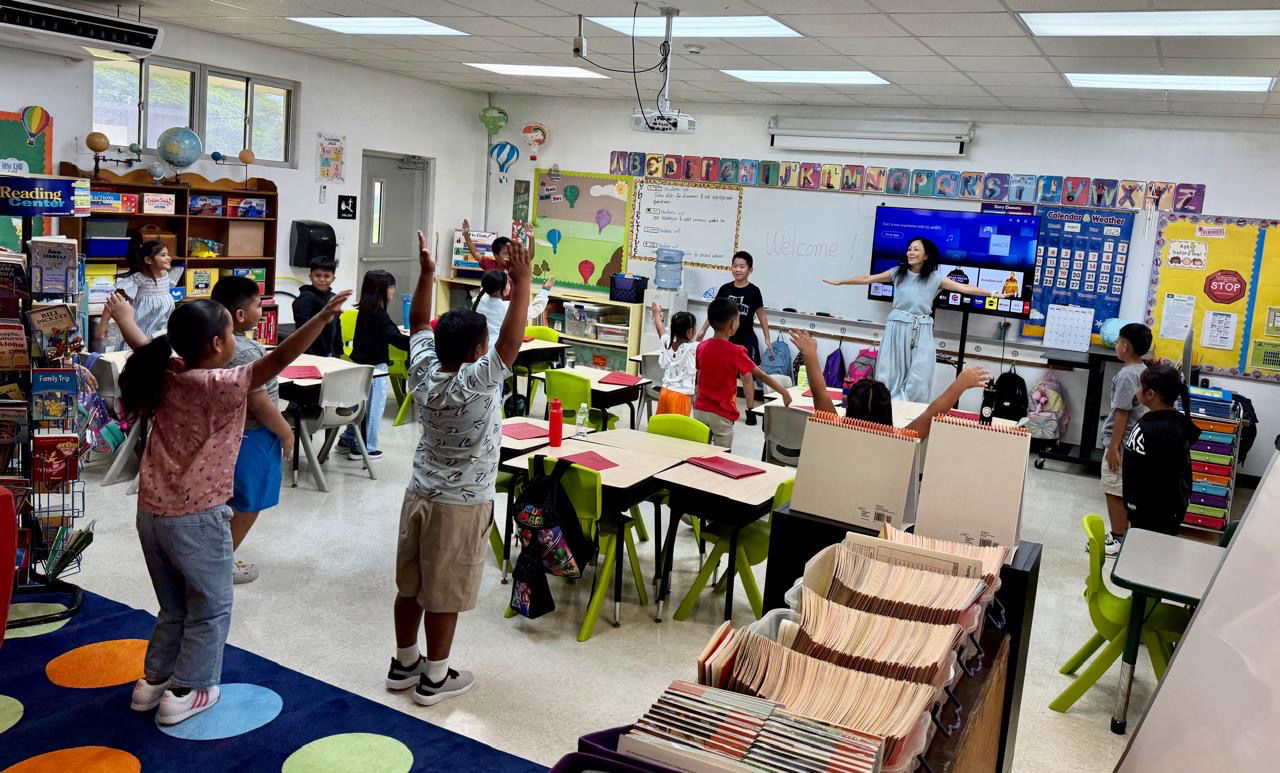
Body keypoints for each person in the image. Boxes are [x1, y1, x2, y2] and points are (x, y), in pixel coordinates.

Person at [110, 286, 349, 725]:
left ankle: (153, 682)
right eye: (230, 333)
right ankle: (187, 690)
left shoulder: (167, 370)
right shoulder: (219, 384)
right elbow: (277, 361)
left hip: (151, 514)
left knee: (174, 606)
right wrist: (320, 320)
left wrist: (125, 317)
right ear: (217, 343)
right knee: (211, 606)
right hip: (197, 518)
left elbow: (142, 345)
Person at [388, 230, 531, 706]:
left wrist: (427, 274)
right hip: (461, 504)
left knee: (410, 587)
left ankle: (404, 662)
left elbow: (417, 321)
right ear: (476, 352)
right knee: (443, 594)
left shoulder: (424, 369)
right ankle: (435, 677)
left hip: (419, 493)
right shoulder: (477, 381)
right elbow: (511, 341)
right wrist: (523, 282)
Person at [824, 238, 1006, 402]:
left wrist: (993, 293)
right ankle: (887, 405)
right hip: (896, 327)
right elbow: (867, 279)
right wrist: (841, 282)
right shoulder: (898, 272)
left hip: (922, 329)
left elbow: (964, 288)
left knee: (920, 372)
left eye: (916, 249)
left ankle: (912, 408)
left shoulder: (935, 277)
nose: (910, 252)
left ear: (926, 256)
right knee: (890, 372)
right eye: (909, 249)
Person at [211, 276, 294, 585]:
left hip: (231, 433)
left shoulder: (220, 343)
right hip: (254, 434)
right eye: (259, 305)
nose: (263, 310)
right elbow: (259, 403)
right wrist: (286, 432)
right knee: (248, 502)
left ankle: (218, 556)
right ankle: (221, 562)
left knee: (232, 500)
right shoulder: (245, 352)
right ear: (240, 314)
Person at [789, 330, 989, 438]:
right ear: (887, 410)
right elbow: (932, 413)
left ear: (849, 407)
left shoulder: (835, 429)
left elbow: (819, 393)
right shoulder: (901, 438)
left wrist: (810, 354)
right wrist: (959, 385)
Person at [694, 298, 792, 449]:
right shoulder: (736, 352)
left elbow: (699, 375)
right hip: (721, 414)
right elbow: (761, 375)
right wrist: (784, 392)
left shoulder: (701, 347)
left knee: (698, 452)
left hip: (699, 409)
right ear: (732, 325)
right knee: (720, 455)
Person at [340, 270, 410, 460]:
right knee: (373, 409)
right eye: (391, 287)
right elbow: (395, 338)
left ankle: (348, 439)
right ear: (380, 290)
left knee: (358, 406)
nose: (393, 291)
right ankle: (364, 448)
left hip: (358, 363)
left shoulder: (365, 310)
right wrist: (419, 340)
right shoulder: (380, 315)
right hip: (375, 368)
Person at [1122, 364, 1200, 536]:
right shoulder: (1153, 420)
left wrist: (1145, 507)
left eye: (1140, 386)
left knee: (1150, 549)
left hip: (1156, 514)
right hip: (1142, 508)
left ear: (1151, 394)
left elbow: (1169, 476)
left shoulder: (1168, 429)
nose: (1137, 390)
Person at [1097, 322, 1152, 555]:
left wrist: (1113, 448)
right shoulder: (1143, 370)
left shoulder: (1127, 375)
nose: (1116, 345)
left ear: (1125, 347)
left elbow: (1122, 413)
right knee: (1122, 489)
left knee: (1114, 490)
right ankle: (1122, 535)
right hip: (1133, 442)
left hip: (1121, 443)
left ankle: (1118, 538)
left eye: (1118, 341)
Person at [697, 251, 771, 425]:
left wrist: (767, 337)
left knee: (746, 374)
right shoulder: (725, 289)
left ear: (750, 270)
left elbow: (761, 314)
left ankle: (750, 410)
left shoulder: (754, 291)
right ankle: (716, 404)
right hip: (725, 338)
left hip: (746, 338)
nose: (737, 270)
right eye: (735, 266)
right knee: (719, 373)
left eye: (742, 267)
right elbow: (714, 312)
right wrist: (702, 330)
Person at [93, 240, 183, 351]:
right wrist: (103, 324)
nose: (169, 258)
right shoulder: (138, 278)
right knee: (138, 350)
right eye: (163, 255)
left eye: (168, 254)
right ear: (148, 260)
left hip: (160, 328)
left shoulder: (166, 275)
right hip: (140, 327)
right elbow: (114, 300)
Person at [472, 268, 553, 349]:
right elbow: (534, 310)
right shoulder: (507, 308)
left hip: (479, 345)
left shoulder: (478, 300)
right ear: (501, 289)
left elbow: (490, 283)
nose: (510, 285)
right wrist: (545, 290)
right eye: (508, 283)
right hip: (496, 348)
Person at [650, 301, 696, 416]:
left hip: (665, 392)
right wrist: (708, 323)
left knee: (663, 424)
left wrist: (656, 314)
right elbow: (702, 337)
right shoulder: (692, 348)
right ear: (689, 331)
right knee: (677, 426)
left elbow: (660, 329)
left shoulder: (667, 342)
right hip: (681, 396)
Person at [292, 256, 343, 357]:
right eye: (317, 275)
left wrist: (339, 351)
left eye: (326, 276)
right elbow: (303, 328)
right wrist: (310, 354)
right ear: (310, 277)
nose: (322, 279)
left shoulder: (333, 298)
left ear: (333, 278)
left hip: (329, 352)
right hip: (310, 353)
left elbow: (337, 326)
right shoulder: (306, 297)